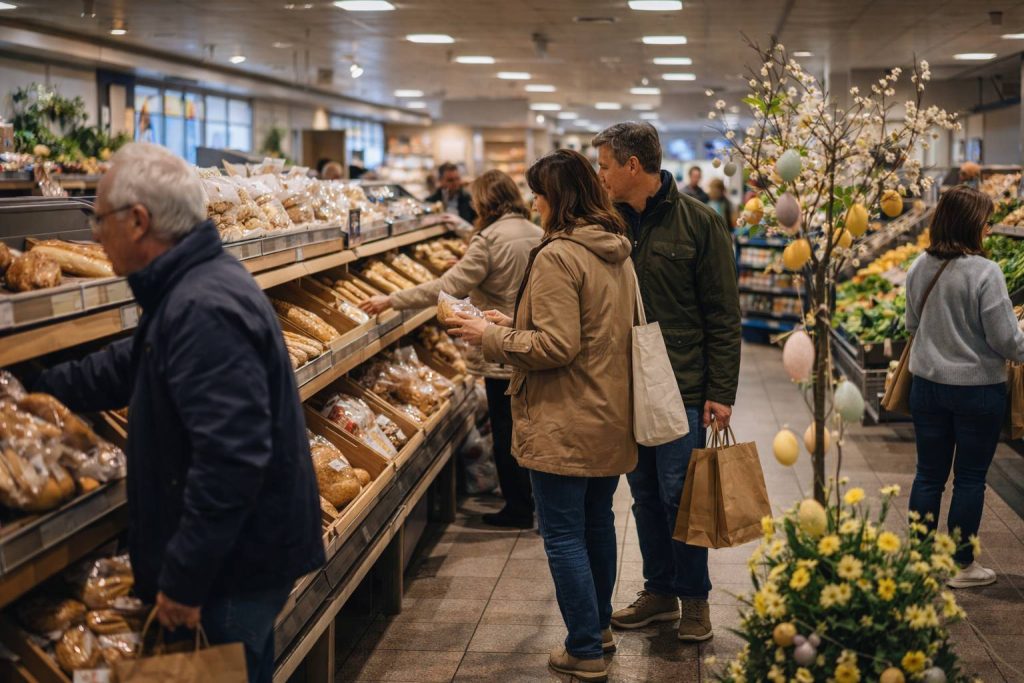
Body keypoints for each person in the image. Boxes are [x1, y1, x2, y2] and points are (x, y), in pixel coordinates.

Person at [35, 143, 325, 683]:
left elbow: (231, 460)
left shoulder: (202, 306)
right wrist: (38, 384)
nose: (95, 235)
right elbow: (133, 363)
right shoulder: (191, 287)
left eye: (100, 219)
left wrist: (186, 578)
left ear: (138, 221)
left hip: (230, 570)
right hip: (240, 555)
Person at [449, 149, 636, 682]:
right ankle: (599, 629)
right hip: (608, 410)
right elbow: (588, 326)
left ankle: (584, 648)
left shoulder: (559, 255)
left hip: (565, 414)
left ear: (557, 198)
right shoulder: (615, 249)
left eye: (538, 194)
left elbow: (557, 345)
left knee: (563, 534)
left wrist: (490, 336)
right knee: (597, 523)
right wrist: (514, 321)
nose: (534, 205)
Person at [592, 122, 741, 642]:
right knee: (644, 495)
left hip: (682, 384)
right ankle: (659, 592)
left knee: (682, 495)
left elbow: (723, 314)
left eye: (605, 165)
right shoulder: (606, 223)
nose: (600, 175)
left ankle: (694, 600)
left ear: (633, 166)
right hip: (625, 385)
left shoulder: (700, 222)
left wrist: (721, 392)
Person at [360, 170, 543, 528]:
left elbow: (447, 288)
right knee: (525, 425)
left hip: (499, 345)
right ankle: (531, 497)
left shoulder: (488, 238)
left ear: (486, 201)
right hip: (527, 340)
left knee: (505, 428)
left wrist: (392, 299)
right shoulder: (534, 231)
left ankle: (518, 508)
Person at [905, 185, 1024, 588]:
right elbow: (1007, 341)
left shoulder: (919, 266)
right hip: (977, 390)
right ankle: (961, 566)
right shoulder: (985, 273)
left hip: (927, 386)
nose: (989, 229)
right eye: (987, 222)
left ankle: (919, 562)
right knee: (970, 478)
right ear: (971, 224)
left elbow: (911, 325)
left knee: (928, 476)